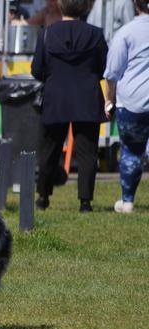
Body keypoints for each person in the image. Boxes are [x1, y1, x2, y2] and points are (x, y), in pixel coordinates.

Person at [31, 0, 108, 212]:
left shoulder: (46, 34)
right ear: (85, 9)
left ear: (61, 8)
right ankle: (85, 201)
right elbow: (104, 67)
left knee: (50, 150)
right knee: (87, 152)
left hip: (56, 98)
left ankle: (43, 197)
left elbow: (37, 70)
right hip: (87, 97)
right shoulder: (96, 34)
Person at [103, 0, 149, 213]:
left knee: (131, 151)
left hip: (131, 101)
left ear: (135, 4)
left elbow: (112, 73)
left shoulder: (125, 33)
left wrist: (108, 99)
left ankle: (128, 200)